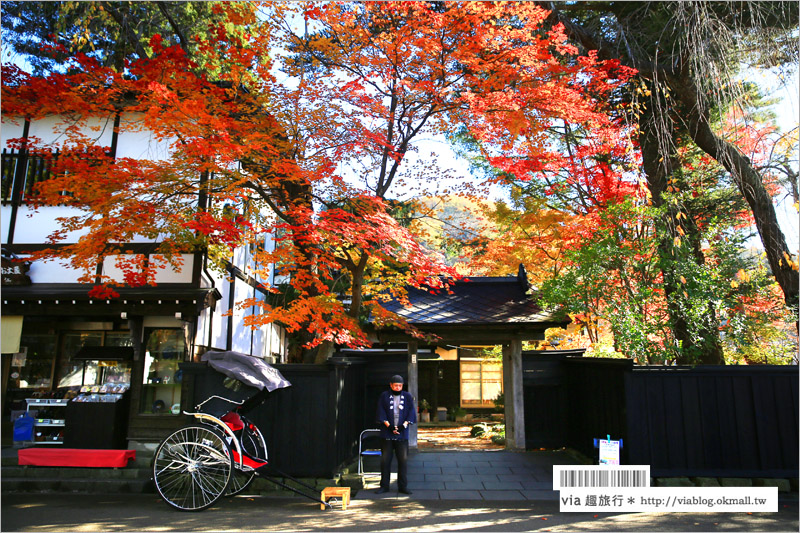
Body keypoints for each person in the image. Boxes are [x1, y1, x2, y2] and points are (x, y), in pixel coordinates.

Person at [375, 374, 416, 494]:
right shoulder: (384, 396)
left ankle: (402, 486)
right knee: (385, 460)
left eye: (400, 385)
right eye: (396, 385)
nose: (398, 387)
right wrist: (390, 426)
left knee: (403, 461)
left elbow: (411, 412)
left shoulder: (407, 396)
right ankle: (384, 486)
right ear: (391, 385)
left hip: (402, 433)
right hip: (387, 432)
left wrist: (403, 426)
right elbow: (381, 411)